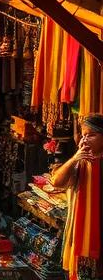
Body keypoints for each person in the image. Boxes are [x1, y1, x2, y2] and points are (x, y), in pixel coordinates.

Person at [51, 112, 103, 280]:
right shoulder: (79, 161)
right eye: (84, 135)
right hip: (79, 235)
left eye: (92, 135)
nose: (85, 139)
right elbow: (56, 181)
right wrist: (74, 158)